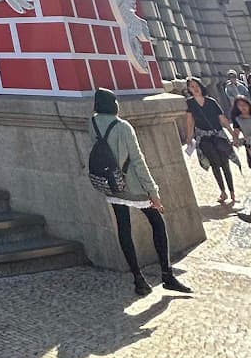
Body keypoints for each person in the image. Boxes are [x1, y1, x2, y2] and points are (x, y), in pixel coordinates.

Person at [91, 87, 191, 298]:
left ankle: (138, 278)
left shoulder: (92, 123)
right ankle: (167, 275)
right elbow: (137, 160)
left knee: (123, 228)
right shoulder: (123, 126)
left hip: (111, 184)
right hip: (133, 186)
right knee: (157, 223)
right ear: (113, 104)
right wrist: (152, 191)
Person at [182, 76, 238, 205]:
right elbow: (190, 121)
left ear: (201, 86)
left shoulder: (211, 101)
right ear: (189, 89)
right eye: (192, 87)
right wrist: (189, 137)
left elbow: (222, 119)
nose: (195, 88)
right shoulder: (190, 103)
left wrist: (232, 134)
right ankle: (223, 192)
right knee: (215, 164)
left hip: (218, 134)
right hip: (204, 137)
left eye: (196, 85)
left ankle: (232, 193)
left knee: (225, 163)